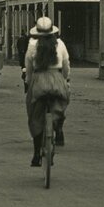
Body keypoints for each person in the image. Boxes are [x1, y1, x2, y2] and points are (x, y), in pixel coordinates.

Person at [24, 17, 71, 166]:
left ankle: (36, 153)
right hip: (56, 79)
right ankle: (57, 128)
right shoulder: (60, 44)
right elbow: (66, 65)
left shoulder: (32, 45)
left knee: (34, 114)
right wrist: (65, 79)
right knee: (60, 104)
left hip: (39, 81)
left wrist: (28, 82)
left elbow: (29, 68)